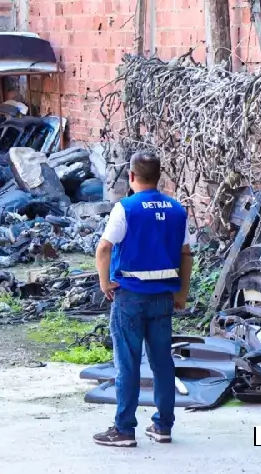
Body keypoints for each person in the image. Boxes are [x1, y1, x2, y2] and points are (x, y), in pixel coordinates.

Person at [93, 151, 193, 447]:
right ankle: (163, 426)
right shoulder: (177, 210)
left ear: (132, 177)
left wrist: (104, 283)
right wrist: (182, 294)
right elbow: (186, 254)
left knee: (128, 362)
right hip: (163, 297)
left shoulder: (125, 208)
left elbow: (103, 249)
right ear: (159, 176)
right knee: (162, 362)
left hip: (130, 298)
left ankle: (124, 429)